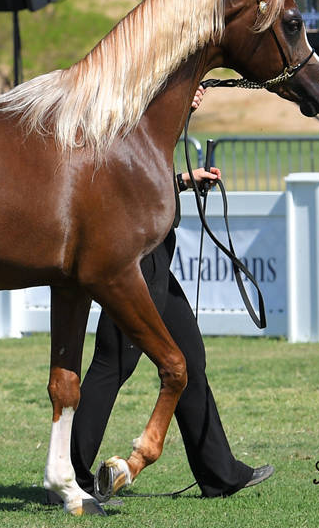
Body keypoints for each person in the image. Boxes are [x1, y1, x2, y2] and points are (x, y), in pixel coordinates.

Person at [63, 86, 274, 504]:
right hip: (138, 258)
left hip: (152, 256)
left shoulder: (135, 119)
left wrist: (181, 181)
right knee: (114, 361)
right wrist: (172, 102)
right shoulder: (131, 113)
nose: (195, 96)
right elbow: (129, 183)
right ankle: (70, 475)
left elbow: (142, 179)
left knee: (188, 358)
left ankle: (219, 473)